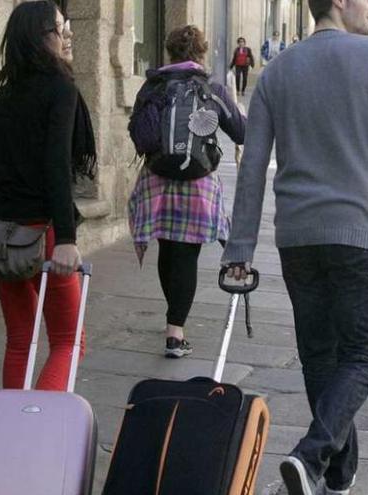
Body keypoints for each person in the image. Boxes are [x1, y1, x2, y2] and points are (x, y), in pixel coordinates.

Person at [222, 0, 368, 493]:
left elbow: (253, 165)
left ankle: (336, 474)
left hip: (297, 235)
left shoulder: (277, 71)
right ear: (339, 2)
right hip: (358, 230)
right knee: (364, 351)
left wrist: (240, 246)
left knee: (319, 356)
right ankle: (312, 456)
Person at [0, 1, 97, 390]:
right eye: (60, 29)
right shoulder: (61, 87)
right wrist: (66, 239)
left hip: (2, 238)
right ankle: (35, 424)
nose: (69, 35)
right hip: (42, 233)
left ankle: (11, 427)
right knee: (68, 340)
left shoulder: (7, 92)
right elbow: (57, 166)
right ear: (40, 37)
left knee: (20, 341)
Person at [128, 25, 246, 359]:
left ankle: (173, 318)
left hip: (157, 180)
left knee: (168, 248)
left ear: (169, 52)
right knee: (186, 255)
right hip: (197, 182)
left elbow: (139, 133)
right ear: (201, 52)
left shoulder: (152, 86)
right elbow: (240, 132)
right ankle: (175, 332)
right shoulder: (212, 88)